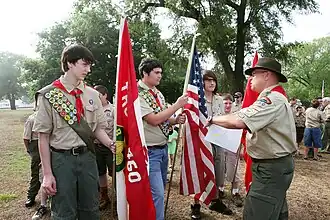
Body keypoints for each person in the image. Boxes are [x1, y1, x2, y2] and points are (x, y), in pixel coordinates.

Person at [33, 44, 115, 220]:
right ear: (70, 63)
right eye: (84, 64)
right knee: (64, 212)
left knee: (91, 210)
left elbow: (98, 129)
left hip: (88, 158)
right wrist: (47, 174)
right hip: (62, 161)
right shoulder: (50, 95)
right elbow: (43, 136)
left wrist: (110, 144)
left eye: (90, 65)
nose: (89, 69)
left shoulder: (93, 95)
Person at [209, 57, 297, 220]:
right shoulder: (275, 97)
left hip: (271, 168)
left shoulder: (272, 99)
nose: (250, 80)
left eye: (254, 74)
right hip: (274, 165)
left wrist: (212, 119)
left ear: (266, 75)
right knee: (275, 211)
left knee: (256, 213)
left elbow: (238, 121)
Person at [137, 58, 187, 220]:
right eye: (156, 72)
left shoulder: (157, 93)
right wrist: (177, 106)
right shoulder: (138, 93)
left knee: (159, 191)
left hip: (163, 147)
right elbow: (153, 119)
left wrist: (175, 120)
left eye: (161, 73)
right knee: (157, 193)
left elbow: (163, 117)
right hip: (149, 151)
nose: (160, 76)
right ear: (145, 73)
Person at [191, 70, 232, 220]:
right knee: (202, 171)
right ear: (202, 83)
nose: (211, 83)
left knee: (218, 170)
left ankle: (215, 200)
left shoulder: (219, 99)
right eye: (208, 80)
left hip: (218, 140)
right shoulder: (197, 99)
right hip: (203, 140)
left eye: (213, 80)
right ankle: (196, 204)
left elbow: (225, 118)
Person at [217, 93, 243, 207]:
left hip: (233, 147)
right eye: (225, 103)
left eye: (229, 103)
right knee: (220, 169)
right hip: (220, 147)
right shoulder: (218, 117)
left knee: (234, 170)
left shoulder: (236, 117)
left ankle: (235, 192)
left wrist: (241, 148)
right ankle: (220, 189)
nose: (227, 105)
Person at [94, 85, 115, 210]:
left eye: (99, 96)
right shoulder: (93, 109)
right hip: (97, 146)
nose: (96, 98)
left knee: (114, 172)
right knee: (100, 172)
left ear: (105, 95)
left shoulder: (113, 109)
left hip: (111, 147)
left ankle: (118, 197)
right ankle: (104, 197)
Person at [23, 110, 41, 208]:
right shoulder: (31, 119)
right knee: (36, 173)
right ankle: (31, 196)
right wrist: (30, 151)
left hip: (51, 143)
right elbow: (26, 138)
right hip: (36, 144)